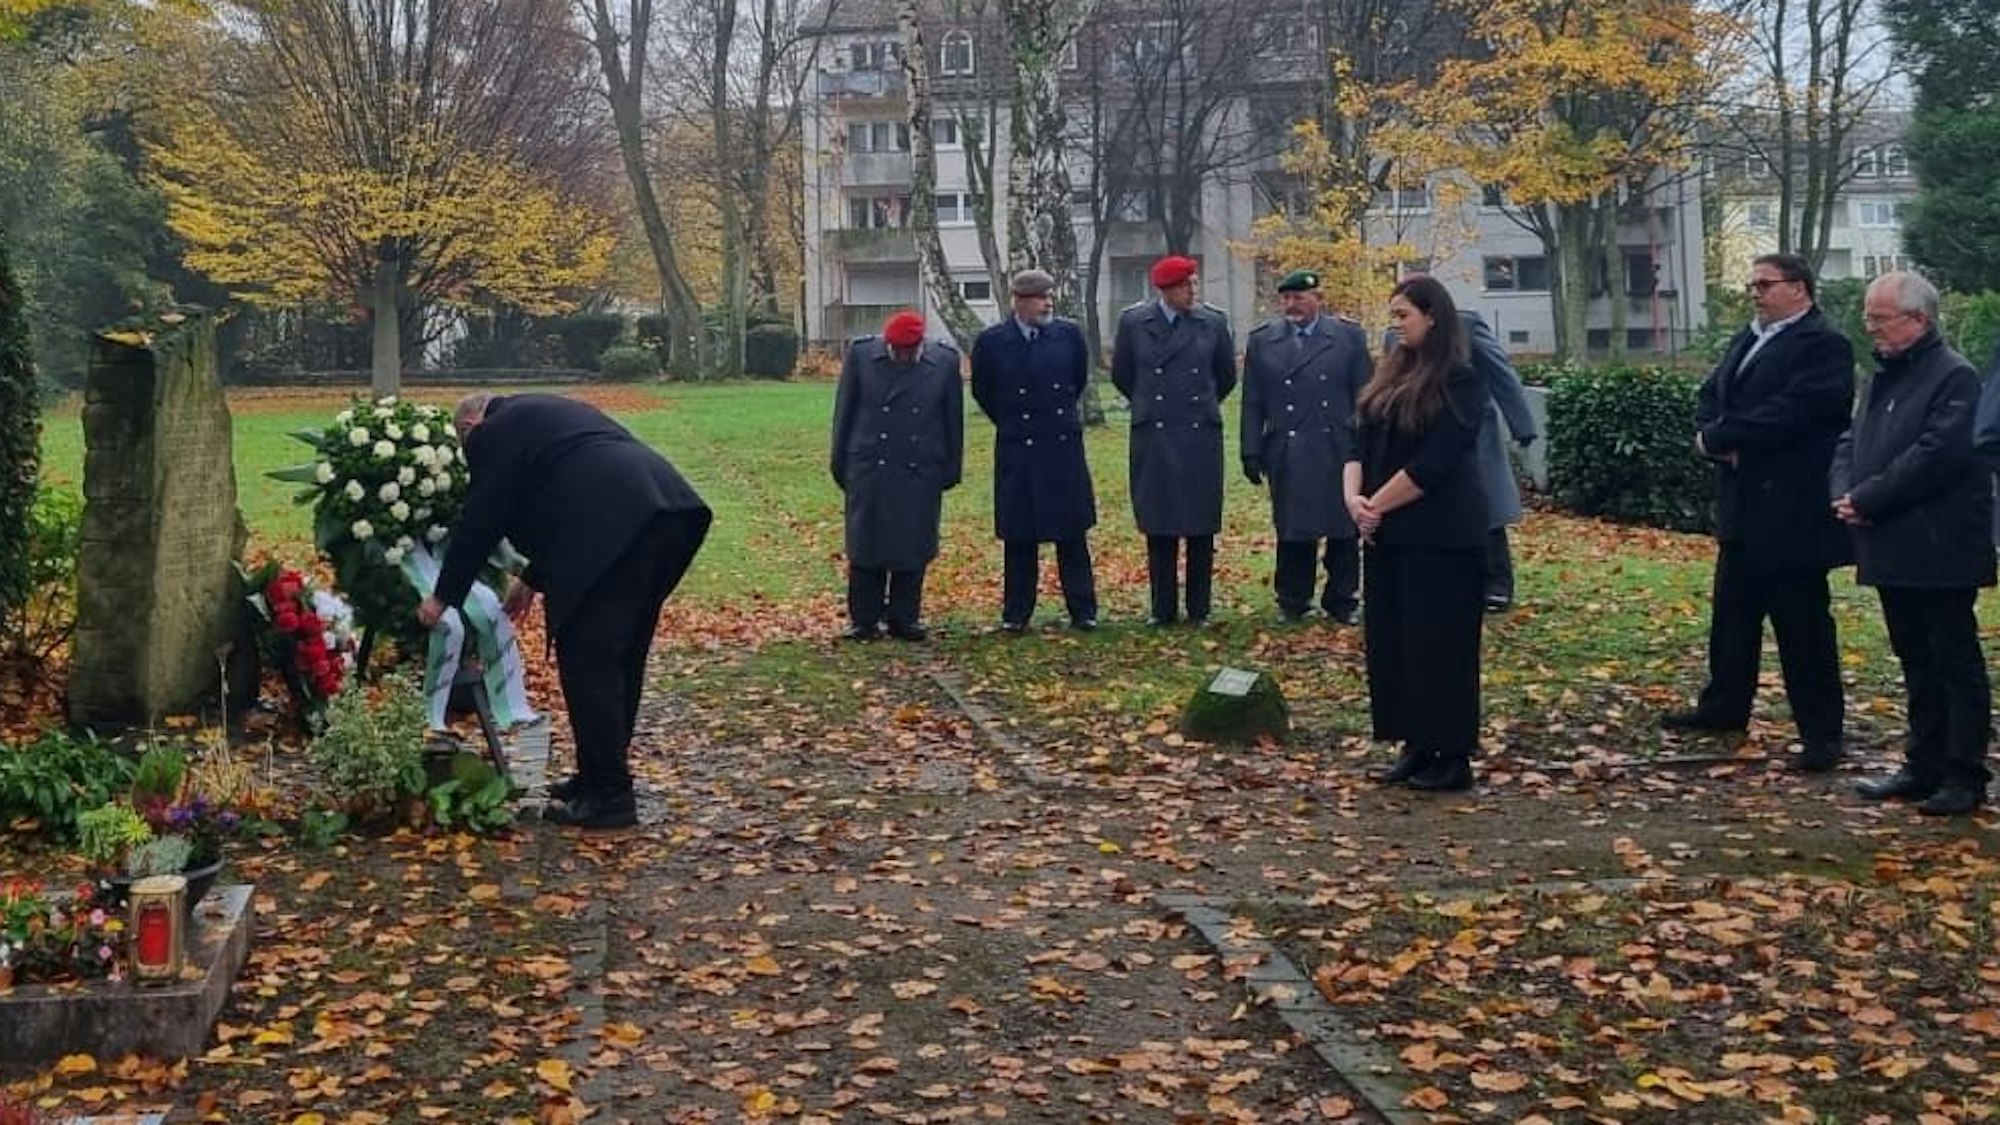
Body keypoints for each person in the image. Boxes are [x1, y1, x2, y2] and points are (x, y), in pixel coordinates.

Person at [418, 393, 712, 830]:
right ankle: (598, 778)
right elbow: (572, 486)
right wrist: (533, 580)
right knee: (621, 654)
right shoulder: (542, 414)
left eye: (465, 444)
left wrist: (443, 597)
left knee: (588, 657)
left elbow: (483, 516)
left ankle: (610, 795)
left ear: (471, 423)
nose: (469, 454)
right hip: (667, 512)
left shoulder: (491, 432)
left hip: (618, 525)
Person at [1661, 252, 1853, 773]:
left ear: (1800, 288)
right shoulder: (1748, 337)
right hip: (1742, 505)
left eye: (1765, 284)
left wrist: (1725, 436)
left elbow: (1796, 411)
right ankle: (1724, 706)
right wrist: (1709, 435)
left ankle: (1821, 732)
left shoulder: (1825, 345)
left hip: (1792, 510)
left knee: (1802, 627)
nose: (1755, 293)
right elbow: (1711, 394)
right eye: (1752, 285)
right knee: (1733, 616)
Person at [1835, 271, 1994, 817]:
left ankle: (1963, 771)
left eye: (1880, 318)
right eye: (1868, 317)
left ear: (1919, 320)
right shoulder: (1882, 375)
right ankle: (1922, 762)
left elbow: (1938, 455)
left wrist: (1869, 497)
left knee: (1952, 658)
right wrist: (1845, 492)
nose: (1871, 328)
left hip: (1940, 542)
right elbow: (1851, 438)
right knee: (1914, 658)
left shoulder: (1955, 376)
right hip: (1890, 542)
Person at [1344, 275, 1488, 792]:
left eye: (1404, 315)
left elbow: (1436, 463)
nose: (1396, 325)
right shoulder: (1390, 374)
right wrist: (1354, 500)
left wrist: (1374, 507)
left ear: (1433, 316)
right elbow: (1358, 441)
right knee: (1396, 643)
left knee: (1440, 647)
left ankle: (1450, 753)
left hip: (1442, 536)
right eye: (1393, 316)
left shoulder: (1461, 380)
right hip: (1388, 533)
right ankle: (1414, 742)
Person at [1110, 254, 1237, 626]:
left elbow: (1225, 376)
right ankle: (1162, 608)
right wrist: (1150, 402)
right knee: (1159, 522)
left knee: (1200, 524)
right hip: (1155, 433)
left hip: (1199, 431)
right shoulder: (1135, 323)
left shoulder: (1212, 322)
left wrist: (1199, 403)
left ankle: (1200, 607)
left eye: (1194, 284)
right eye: (1185, 286)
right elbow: (1123, 374)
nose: (1192, 291)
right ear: (1165, 291)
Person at [970, 269, 1099, 632]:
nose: (1048, 303)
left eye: (1050, 296)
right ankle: (1016, 613)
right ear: (1020, 301)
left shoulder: (1068, 336)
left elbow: (1077, 380)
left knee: (1071, 533)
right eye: (1041, 297)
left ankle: (1083, 609)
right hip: (1018, 446)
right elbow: (984, 390)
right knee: (1020, 535)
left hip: (1061, 444)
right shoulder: (993, 341)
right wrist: (1013, 422)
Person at [1240, 268, 1371, 624]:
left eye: (1299, 297)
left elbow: (1365, 397)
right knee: (1293, 528)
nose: (1291, 305)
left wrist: (1366, 446)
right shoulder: (1263, 340)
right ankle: (1292, 599)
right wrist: (1250, 449)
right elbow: (1252, 400)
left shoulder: (1348, 337)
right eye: (1285, 298)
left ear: (1318, 299)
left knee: (1343, 529)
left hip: (1337, 447)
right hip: (1287, 446)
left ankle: (1342, 599)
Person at [830, 310, 965, 642]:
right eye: (896, 351)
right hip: (870, 464)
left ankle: (905, 617)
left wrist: (949, 469)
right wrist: (841, 463)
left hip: (918, 467)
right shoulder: (862, 355)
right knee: (866, 544)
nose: (902, 357)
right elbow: (844, 412)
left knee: (912, 544)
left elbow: (953, 420)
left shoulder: (944, 362)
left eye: (908, 352)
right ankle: (864, 618)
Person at [1463, 312, 1540, 612]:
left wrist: (1522, 426)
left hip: (1474, 433)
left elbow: (1501, 374)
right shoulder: (1397, 334)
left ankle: (1497, 583)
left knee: (1486, 508)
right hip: (1424, 434)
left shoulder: (1465, 327)